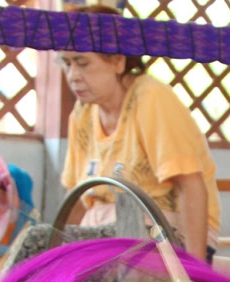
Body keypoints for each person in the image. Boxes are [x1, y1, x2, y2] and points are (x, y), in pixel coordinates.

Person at [58, 4, 220, 262]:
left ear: (118, 61)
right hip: (107, 232)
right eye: (66, 63)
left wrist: (195, 272)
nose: (73, 76)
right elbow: (76, 199)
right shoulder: (82, 114)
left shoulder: (150, 99)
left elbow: (190, 186)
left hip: (169, 235)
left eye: (83, 63)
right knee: (37, 243)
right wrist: (52, 248)